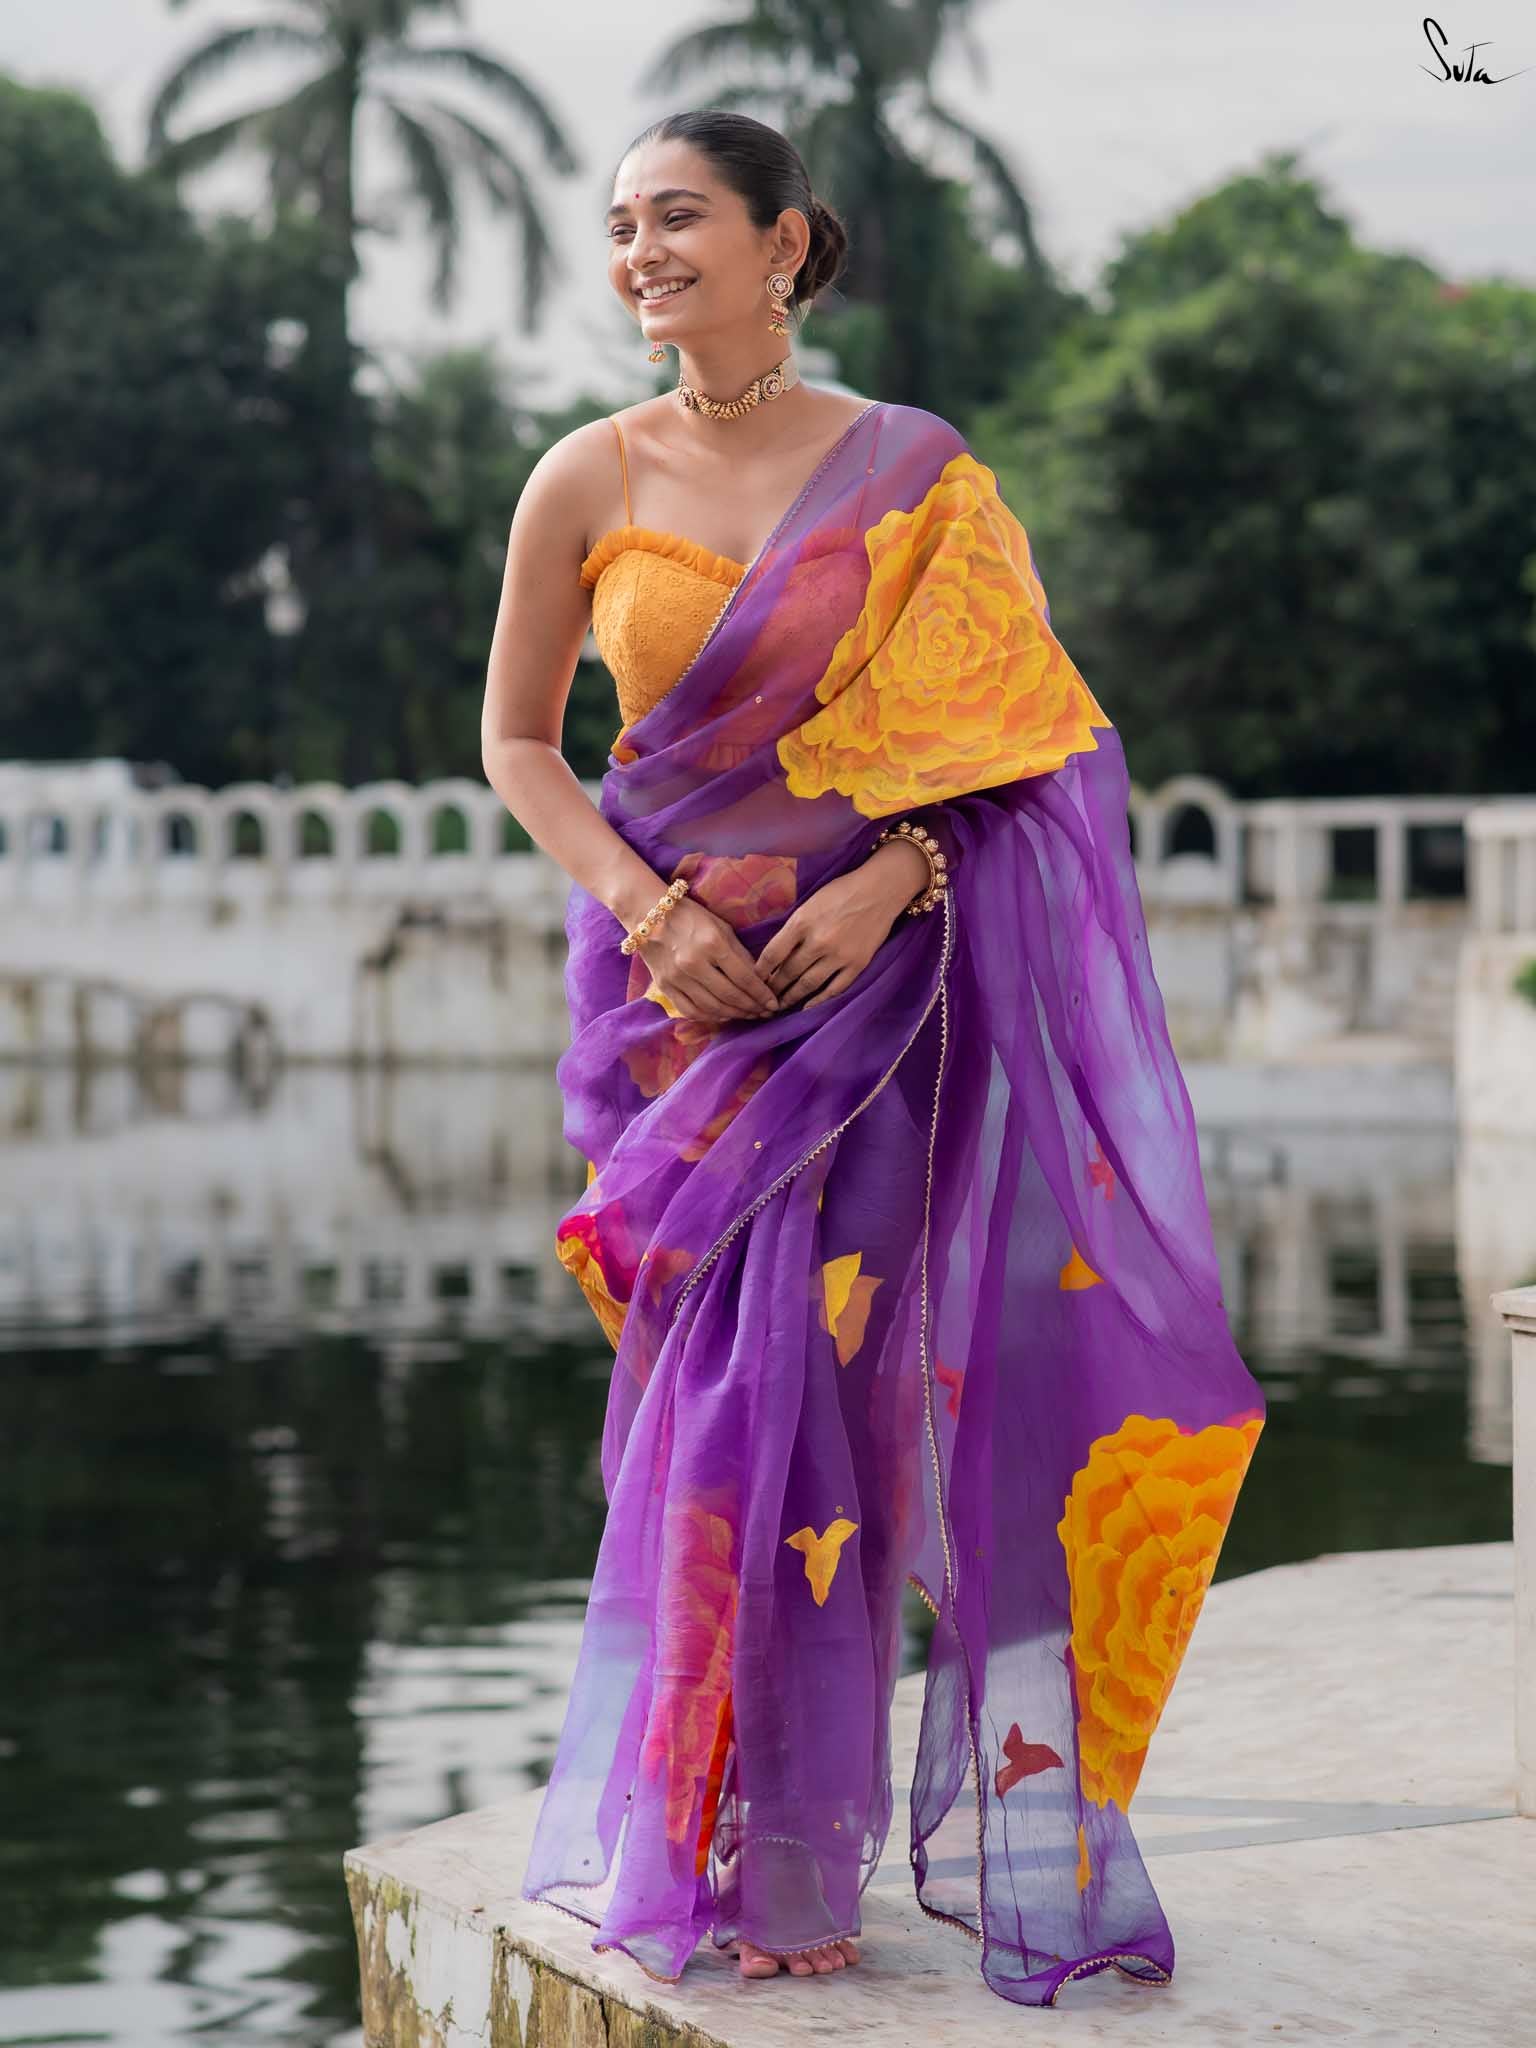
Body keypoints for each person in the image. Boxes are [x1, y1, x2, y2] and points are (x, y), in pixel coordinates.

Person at [480, 108, 1266, 2009]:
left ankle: (804, 1850)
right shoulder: (581, 480)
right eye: (621, 229)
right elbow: (519, 745)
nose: (644, 253)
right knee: (711, 1407)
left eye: (680, 218)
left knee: (829, 1400)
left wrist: (904, 872)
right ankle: (699, 1817)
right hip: (678, 1021)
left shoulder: (920, 481)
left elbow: (1040, 756)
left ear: (785, 243)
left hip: (881, 1014)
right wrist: (653, 912)